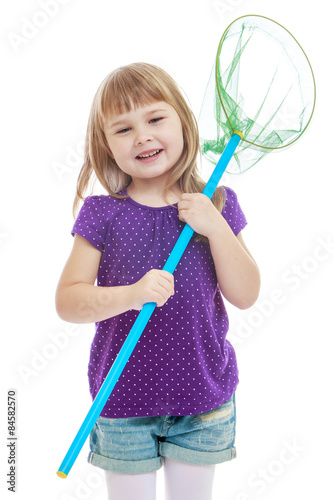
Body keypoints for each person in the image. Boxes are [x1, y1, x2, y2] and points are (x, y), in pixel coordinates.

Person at [55, 62, 260, 500]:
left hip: (202, 401)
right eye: (123, 129)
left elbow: (246, 294)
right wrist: (131, 295)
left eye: (155, 119)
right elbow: (68, 302)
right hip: (122, 403)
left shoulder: (218, 202)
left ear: (183, 123)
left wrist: (215, 226)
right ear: (107, 147)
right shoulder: (102, 213)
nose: (143, 136)